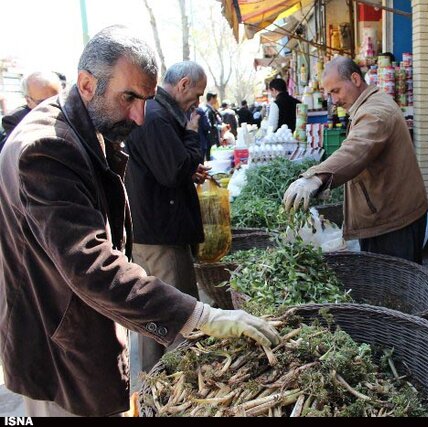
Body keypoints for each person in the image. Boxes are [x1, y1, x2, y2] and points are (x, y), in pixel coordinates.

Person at [0, 25, 279, 417]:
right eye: (129, 97)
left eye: (146, 99)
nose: (140, 115)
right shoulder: (46, 149)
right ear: (85, 83)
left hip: (78, 332)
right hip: (57, 351)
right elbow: (90, 265)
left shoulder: (80, 124)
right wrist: (201, 315)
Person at [283, 56, 428, 264]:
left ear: (355, 79)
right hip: (388, 214)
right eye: (329, 94)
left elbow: (355, 150)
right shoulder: (367, 104)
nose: (334, 100)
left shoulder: (375, 112)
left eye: (336, 91)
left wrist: (316, 177)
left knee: (394, 288)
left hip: (393, 222)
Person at [124, 61, 215, 373]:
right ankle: (175, 381)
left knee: (153, 312)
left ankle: (154, 380)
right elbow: (172, 170)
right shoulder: (157, 117)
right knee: (175, 313)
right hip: (161, 235)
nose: (197, 103)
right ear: (184, 84)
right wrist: (191, 136)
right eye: (197, 94)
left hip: (149, 230)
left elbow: (166, 168)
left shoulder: (154, 113)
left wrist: (187, 169)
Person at [0, 71, 62, 150]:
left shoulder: (70, 112)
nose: (53, 106)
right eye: (44, 102)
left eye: (56, 99)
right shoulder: (15, 121)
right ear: (28, 101)